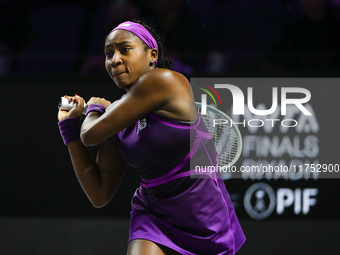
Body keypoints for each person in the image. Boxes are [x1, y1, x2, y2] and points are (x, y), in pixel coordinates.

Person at [57, 20, 245, 255]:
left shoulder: (165, 81)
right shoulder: (116, 117)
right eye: (108, 53)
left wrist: (94, 107)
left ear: (152, 55)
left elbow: (89, 133)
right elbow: (99, 193)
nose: (114, 60)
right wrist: (68, 129)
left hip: (207, 222)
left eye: (125, 49)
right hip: (153, 215)